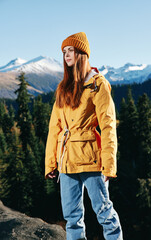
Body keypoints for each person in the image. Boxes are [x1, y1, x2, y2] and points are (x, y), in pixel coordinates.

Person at [45, 32, 123, 240]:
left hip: (92, 160)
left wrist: (109, 165)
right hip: (66, 161)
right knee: (72, 218)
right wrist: (51, 163)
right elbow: (55, 127)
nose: (66, 55)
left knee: (105, 214)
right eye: (64, 51)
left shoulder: (98, 84)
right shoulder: (63, 88)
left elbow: (108, 126)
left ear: (82, 53)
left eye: (70, 50)